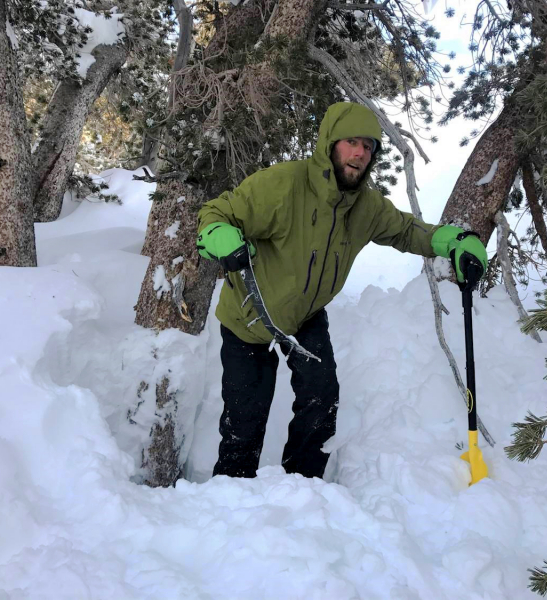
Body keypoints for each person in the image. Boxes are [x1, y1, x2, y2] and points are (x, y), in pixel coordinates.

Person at [196, 102, 487, 479]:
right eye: (351, 142)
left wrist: (453, 241)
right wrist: (219, 236)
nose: (360, 153)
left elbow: (407, 230)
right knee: (244, 420)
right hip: (249, 316)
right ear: (330, 143)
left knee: (321, 401)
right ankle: (230, 495)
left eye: (368, 147)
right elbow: (218, 213)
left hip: (304, 318)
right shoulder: (282, 185)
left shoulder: (365, 207)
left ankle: (302, 487)